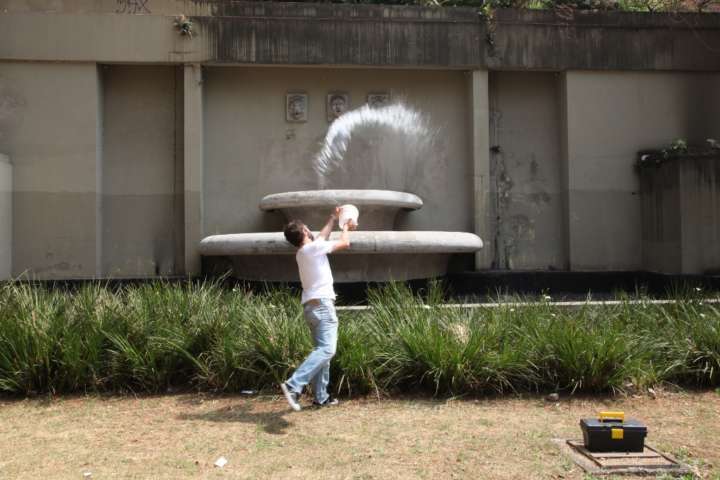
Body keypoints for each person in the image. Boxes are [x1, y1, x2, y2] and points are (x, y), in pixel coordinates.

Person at [280, 208, 354, 411]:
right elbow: (345, 243)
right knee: (327, 350)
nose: (310, 231)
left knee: (323, 352)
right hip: (321, 306)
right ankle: (293, 384)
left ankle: (321, 397)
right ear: (304, 232)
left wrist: (332, 217)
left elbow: (322, 236)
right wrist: (346, 225)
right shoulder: (312, 249)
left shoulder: (304, 252)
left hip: (311, 308)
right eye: (307, 229)